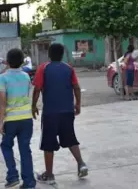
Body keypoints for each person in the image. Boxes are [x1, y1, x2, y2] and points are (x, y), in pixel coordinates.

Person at [32, 43, 88, 185]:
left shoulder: (44, 68)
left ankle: (49, 175)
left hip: (51, 112)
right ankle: (81, 164)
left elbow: (37, 88)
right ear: (62, 54)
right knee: (70, 138)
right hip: (67, 111)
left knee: (48, 144)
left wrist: (33, 105)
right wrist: (78, 104)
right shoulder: (68, 68)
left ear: (49, 55)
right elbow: (76, 87)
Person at [0, 48, 36, 189]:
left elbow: (2, 103)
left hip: (11, 120)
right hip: (26, 118)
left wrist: (0, 122)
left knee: (6, 146)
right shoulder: (26, 76)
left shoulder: (3, 78)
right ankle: (29, 182)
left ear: (7, 61)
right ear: (22, 61)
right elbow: (27, 96)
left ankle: (12, 176)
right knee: (25, 149)